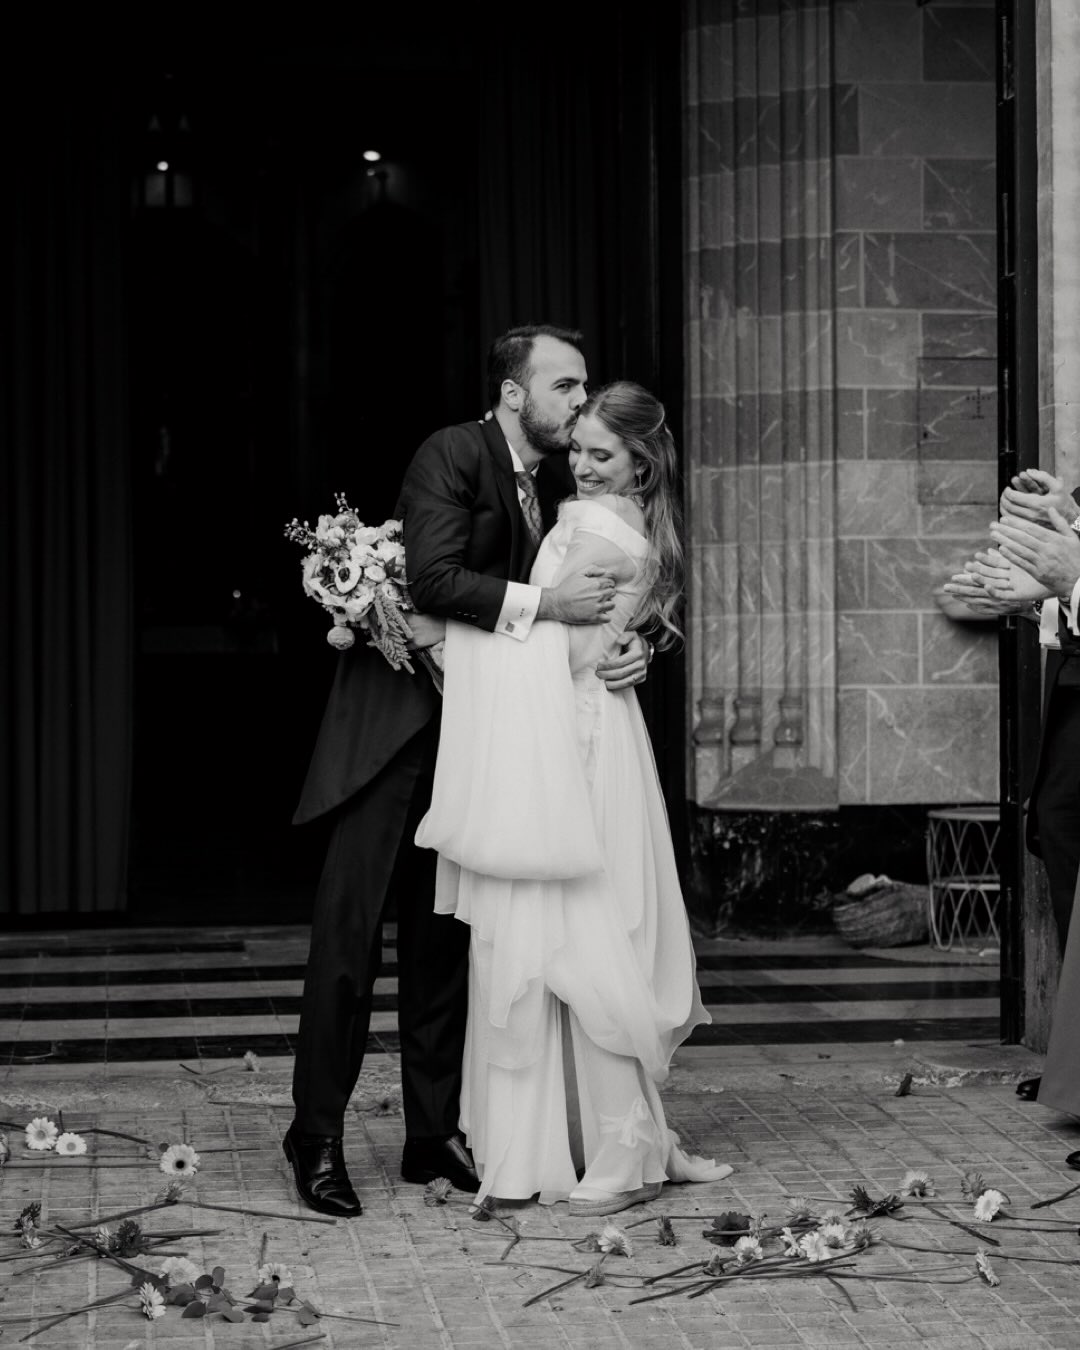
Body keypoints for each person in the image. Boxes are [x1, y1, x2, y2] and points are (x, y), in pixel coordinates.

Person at [282, 325, 652, 1217]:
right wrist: (550, 603)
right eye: (565, 385)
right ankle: (316, 1136)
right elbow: (437, 581)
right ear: (515, 393)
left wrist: (630, 643)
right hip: (396, 737)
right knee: (350, 943)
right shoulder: (452, 452)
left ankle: (431, 1134)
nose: (580, 400)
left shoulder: (556, 488)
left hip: (483, 746)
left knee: (445, 945)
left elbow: (589, 609)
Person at [415, 381, 733, 1217]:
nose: (583, 468)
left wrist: (445, 636)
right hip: (579, 734)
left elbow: (567, 651)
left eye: (603, 455)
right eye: (579, 451)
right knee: (578, 938)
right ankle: (620, 1138)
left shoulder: (596, 528)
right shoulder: (613, 521)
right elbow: (578, 635)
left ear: (640, 465)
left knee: (580, 943)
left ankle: (623, 1153)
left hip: (579, 748)